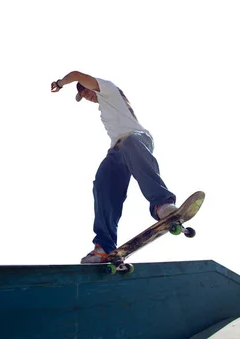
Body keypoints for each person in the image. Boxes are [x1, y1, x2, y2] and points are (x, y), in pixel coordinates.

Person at [51, 71, 178, 264]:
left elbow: (76, 74)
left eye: (87, 91)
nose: (88, 96)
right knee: (102, 182)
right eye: (84, 96)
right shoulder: (104, 109)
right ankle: (104, 246)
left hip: (137, 138)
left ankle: (162, 204)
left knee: (130, 143)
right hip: (117, 149)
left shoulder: (109, 89)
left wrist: (60, 83)